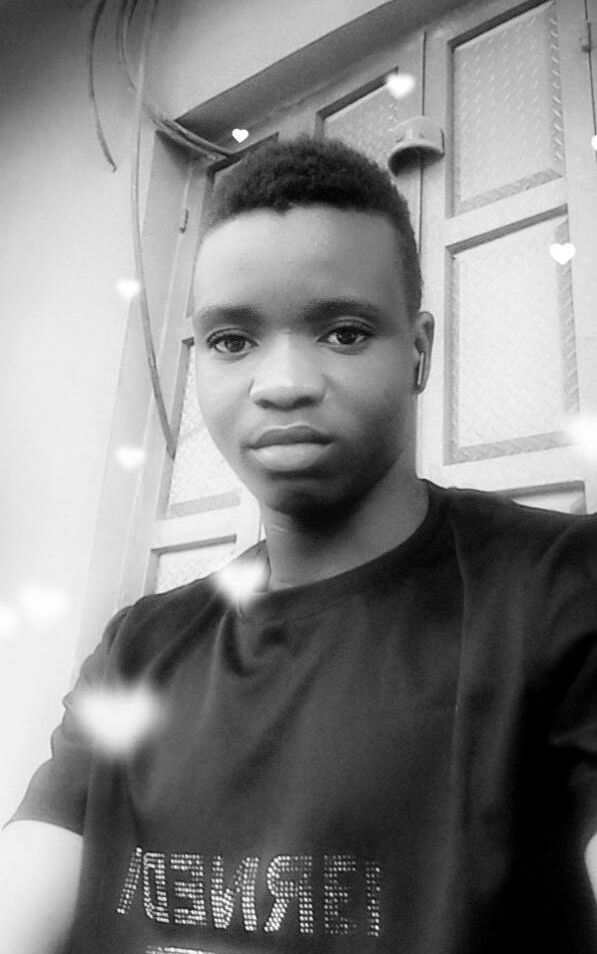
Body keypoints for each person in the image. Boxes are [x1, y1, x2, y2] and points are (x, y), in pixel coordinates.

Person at [2, 134, 597, 954]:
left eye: (344, 333)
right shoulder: (137, 650)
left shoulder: (561, 593)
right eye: (231, 341)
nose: (281, 384)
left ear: (418, 350)